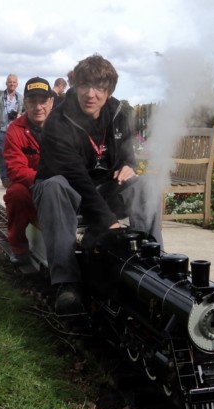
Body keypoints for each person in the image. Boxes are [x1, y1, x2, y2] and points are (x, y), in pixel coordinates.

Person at [32, 54, 163, 315]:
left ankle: (152, 266)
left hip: (104, 190)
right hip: (66, 192)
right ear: (75, 86)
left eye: (99, 88)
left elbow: (126, 152)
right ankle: (66, 283)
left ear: (109, 90)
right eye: (84, 85)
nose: (90, 94)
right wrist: (110, 225)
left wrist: (128, 165)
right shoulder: (57, 122)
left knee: (146, 185)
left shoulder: (116, 114)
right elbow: (77, 178)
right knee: (54, 186)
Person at [3, 77, 54, 265]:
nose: (38, 106)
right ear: (25, 103)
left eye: (43, 101)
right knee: (16, 193)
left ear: (51, 102)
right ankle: (18, 248)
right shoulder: (14, 130)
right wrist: (44, 181)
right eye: (33, 101)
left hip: (59, 185)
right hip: (31, 187)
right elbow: (16, 169)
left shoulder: (63, 127)